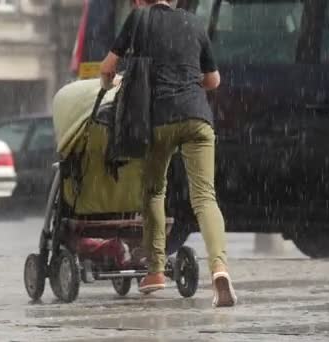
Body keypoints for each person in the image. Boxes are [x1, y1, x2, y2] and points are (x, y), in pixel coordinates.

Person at [99, 0, 237, 307]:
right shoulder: (195, 23)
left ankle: (156, 270)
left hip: (159, 119)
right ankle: (220, 269)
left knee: (153, 191)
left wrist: (111, 84)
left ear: (139, 1)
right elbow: (213, 80)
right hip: (198, 118)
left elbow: (108, 67)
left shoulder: (138, 19)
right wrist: (186, 79)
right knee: (205, 198)